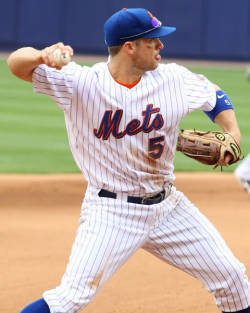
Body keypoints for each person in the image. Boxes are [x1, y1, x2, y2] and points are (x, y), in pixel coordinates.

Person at [7, 7, 250, 313]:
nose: (161, 46)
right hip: (111, 211)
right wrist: (42, 56)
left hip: (168, 207)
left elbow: (215, 96)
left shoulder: (173, 78)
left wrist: (233, 132)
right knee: (70, 298)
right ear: (129, 47)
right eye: (153, 41)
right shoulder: (81, 84)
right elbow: (16, 63)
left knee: (232, 280)